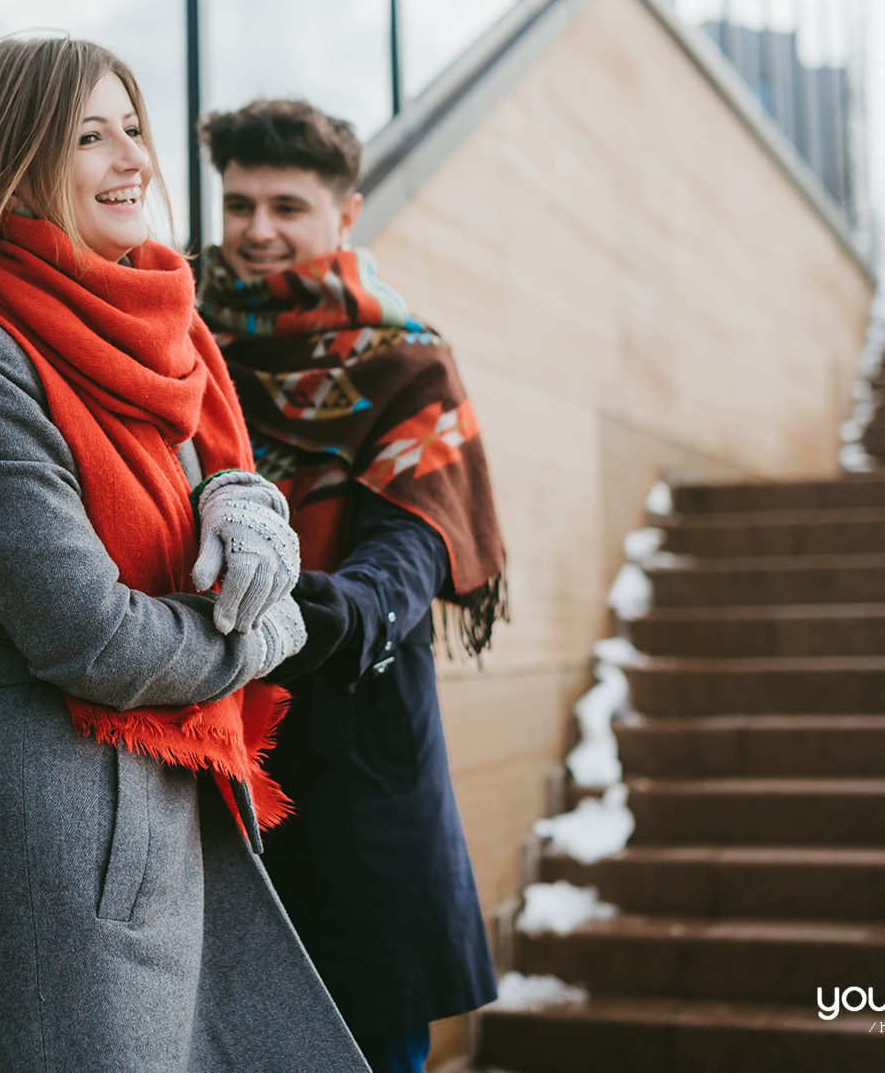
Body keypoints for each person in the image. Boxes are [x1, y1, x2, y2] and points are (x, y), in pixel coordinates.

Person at [0, 39, 373, 1073]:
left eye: (133, 129)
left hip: (162, 806)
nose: (131, 159)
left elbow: (211, 486)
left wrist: (243, 505)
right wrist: (264, 635)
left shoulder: (155, 337)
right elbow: (90, 635)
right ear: (8, 167)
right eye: (89, 137)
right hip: (56, 827)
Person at [195, 98, 507, 1073]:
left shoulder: (405, 366)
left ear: (346, 213)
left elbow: (409, 549)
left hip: (352, 753)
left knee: (368, 1051)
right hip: (204, 756)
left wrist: (318, 612)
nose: (254, 230)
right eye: (238, 203)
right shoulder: (182, 352)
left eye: (285, 204)